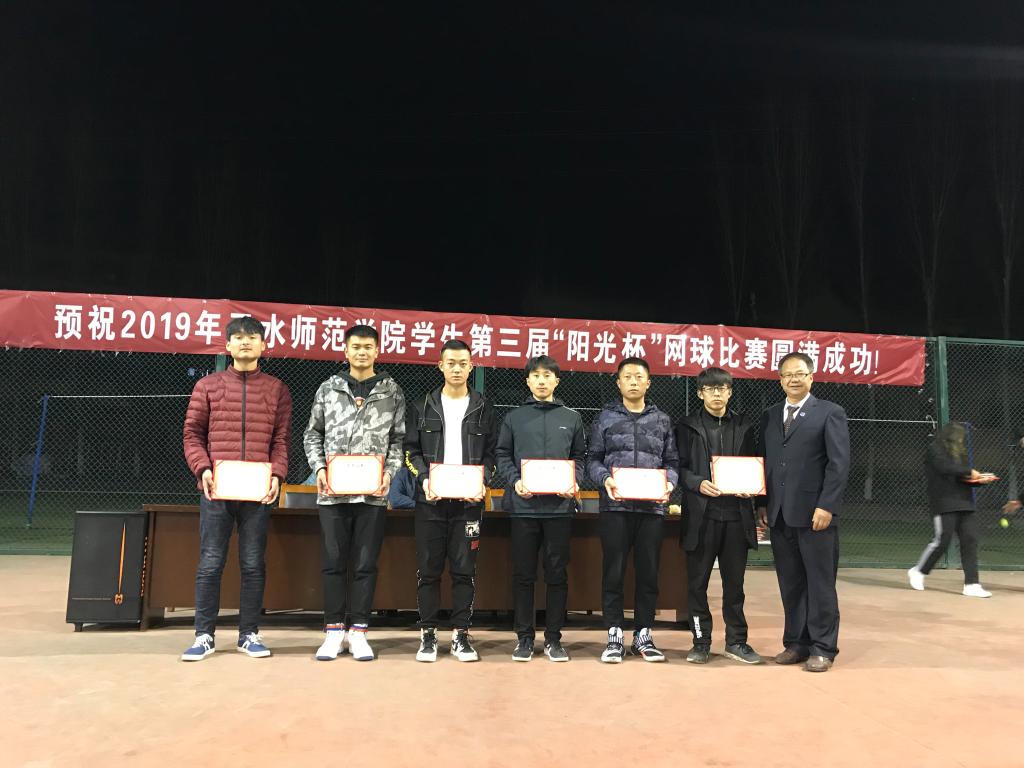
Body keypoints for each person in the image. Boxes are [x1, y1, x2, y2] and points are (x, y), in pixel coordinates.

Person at [181, 316, 293, 661]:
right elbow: (192, 435)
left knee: (253, 563)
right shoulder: (207, 386)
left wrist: (277, 475)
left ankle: (249, 634)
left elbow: (281, 440)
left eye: (252, 337)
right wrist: (203, 469)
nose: (246, 342)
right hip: (218, 489)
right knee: (210, 562)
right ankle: (204, 636)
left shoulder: (277, 389)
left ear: (263, 345)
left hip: (257, 491)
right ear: (228, 346)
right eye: (239, 337)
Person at [303, 324, 406, 661]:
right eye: (356, 347)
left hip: (372, 494)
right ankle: (333, 631)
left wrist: (389, 473)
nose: (362, 352)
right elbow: (312, 434)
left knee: (365, 564)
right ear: (345, 351)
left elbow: (398, 440)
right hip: (332, 493)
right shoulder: (328, 388)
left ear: (377, 351)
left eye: (368, 347)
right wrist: (319, 468)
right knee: (333, 563)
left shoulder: (392, 391)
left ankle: (359, 631)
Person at [403, 339, 498, 662]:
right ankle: (428, 634)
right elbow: (411, 451)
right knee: (428, 571)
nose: (457, 369)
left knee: (464, 571)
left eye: (463, 363)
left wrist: (483, 481)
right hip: (430, 502)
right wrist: (424, 479)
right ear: (440, 365)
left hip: (468, 504)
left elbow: (492, 453)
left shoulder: (483, 407)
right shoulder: (422, 405)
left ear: (471, 367)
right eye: (451, 363)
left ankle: (461, 634)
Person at [757, 352, 849, 673]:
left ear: (811, 377)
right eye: (787, 374)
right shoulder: (770, 415)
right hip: (779, 514)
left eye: (799, 373)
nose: (793, 379)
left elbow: (838, 465)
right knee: (791, 583)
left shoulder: (830, 413)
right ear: (780, 380)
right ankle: (796, 643)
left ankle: (823, 647)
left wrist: (827, 505)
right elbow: (765, 462)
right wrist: (762, 504)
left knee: (820, 584)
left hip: (815, 515)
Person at [587, 357, 678, 663]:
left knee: (648, 573)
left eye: (639, 377)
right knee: (613, 572)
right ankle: (614, 634)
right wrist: (605, 479)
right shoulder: (605, 418)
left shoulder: (662, 420)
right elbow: (593, 459)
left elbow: (672, 462)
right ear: (619, 383)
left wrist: (670, 483)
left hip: (652, 510)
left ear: (648, 383)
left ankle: (643, 635)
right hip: (615, 508)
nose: (634, 382)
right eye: (627, 377)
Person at [496, 355, 586, 662]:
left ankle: (553, 639)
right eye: (536, 376)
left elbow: (580, 458)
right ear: (528, 381)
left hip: (559, 510)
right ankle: (524, 638)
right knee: (523, 575)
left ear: (557, 381)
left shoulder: (572, 417)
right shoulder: (514, 418)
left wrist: (574, 482)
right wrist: (515, 481)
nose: (542, 381)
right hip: (523, 509)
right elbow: (502, 454)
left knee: (557, 575)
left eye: (548, 376)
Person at [676, 367, 761, 665]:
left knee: (734, 586)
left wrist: (752, 489)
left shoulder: (745, 426)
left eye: (722, 388)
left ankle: (736, 641)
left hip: (737, 517)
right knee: (697, 584)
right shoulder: (686, 426)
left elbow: (755, 465)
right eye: (710, 389)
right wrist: (697, 483)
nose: (716, 394)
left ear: (730, 392)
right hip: (702, 518)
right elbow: (677, 467)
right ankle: (700, 642)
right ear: (700, 393)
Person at [908, 422, 997, 597]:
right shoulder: (935, 449)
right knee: (943, 540)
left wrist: (980, 480)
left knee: (970, 540)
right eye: (959, 436)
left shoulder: (960, 455)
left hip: (965, 503)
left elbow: (963, 478)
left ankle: (972, 584)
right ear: (950, 435)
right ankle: (918, 571)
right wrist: (969, 471)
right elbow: (945, 468)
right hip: (944, 502)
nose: (961, 440)